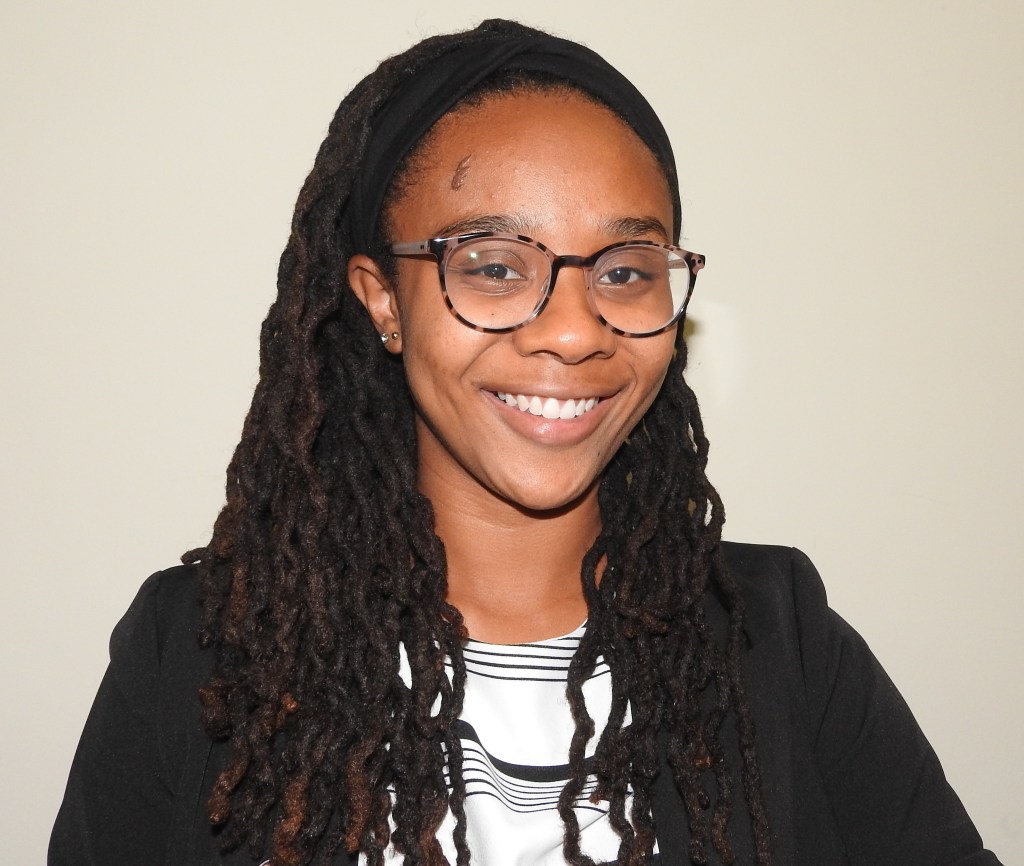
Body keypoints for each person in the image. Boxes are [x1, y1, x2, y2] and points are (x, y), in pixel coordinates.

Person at [49, 18, 1002, 866]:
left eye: (627, 270)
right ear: (383, 300)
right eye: (496, 266)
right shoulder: (203, 648)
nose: (576, 329)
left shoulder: (777, 638)